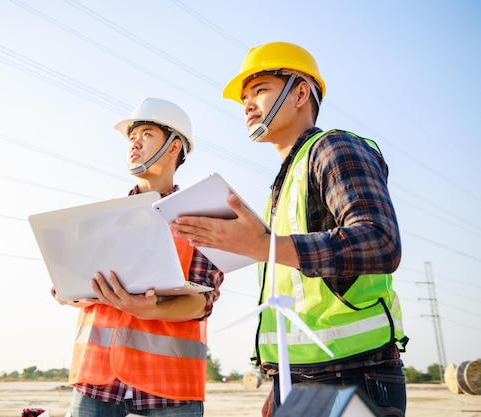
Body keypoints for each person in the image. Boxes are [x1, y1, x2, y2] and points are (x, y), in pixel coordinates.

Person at [170, 42, 408, 417]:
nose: (247, 104)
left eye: (260, 89)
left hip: (351, 374)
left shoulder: (334, 148)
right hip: (300, 378)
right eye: (244, 97)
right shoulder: (282, 185)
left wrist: (265, 245)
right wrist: (282, 383)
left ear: (301, 92)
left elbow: (381, 242)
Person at [52, 97, 224, 417]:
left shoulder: (200, 219)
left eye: (146, 134)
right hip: (97, 380)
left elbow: (203, 302)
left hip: (168, 385)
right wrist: (67, 288)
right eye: (132, 137)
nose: (134, 143)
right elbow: (69, 287)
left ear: (174, 147)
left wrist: (151, 308)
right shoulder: (102, 218)